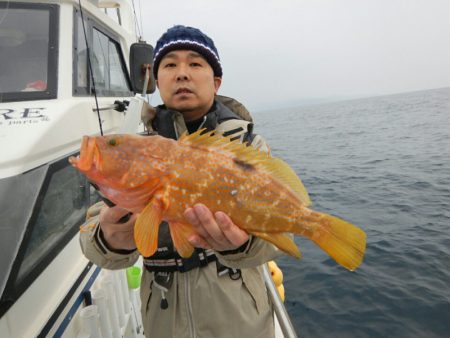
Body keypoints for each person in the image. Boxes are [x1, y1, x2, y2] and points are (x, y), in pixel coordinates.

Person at [80, 25, 282, 338]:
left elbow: (274, 235)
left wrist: (245, 245)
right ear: (156, 81)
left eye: (195, 64)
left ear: (215, 82)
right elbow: (94, 236)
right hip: (164, 318)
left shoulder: (246, 149)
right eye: (170, 65)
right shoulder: (134, 152)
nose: (182, 73)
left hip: (241, 318)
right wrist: (109, 237)